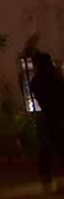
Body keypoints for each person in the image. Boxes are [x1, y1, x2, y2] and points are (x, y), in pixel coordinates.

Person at [30, 52, 64, 191]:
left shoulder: (36, 81)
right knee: (60, 147)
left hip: (47, 117)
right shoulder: (54, 79)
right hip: (59, 116)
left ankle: (46, 177)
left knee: (46, 147)